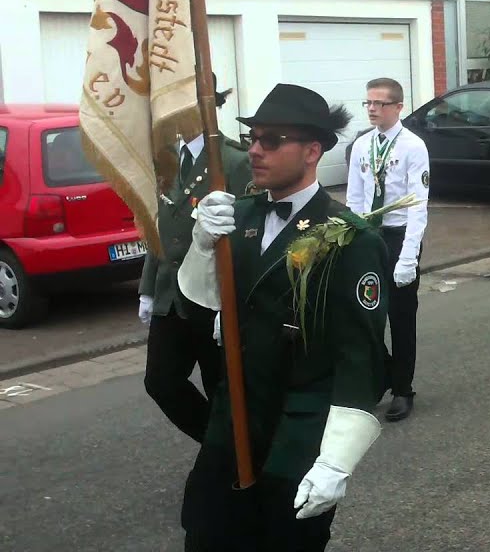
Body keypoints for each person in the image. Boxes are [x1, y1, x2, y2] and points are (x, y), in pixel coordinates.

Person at [177, 83, 387, 550]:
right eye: (253, 137)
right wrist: (202, 242)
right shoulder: (241, 216)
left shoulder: (349, 238)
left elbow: (362, 358)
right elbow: (201, 304)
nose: (254, 149)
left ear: (312, 151)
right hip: (233, 418)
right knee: (205, 533)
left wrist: (336, 462)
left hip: (297, 428)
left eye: (271, 140)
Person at [140, 82, 252, 443]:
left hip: (211, 295)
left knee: (221, 384)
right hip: (170, 295)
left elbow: (248, 234)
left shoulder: (233, 161)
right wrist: (147, 289)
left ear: (209, 106)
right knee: (160, 381)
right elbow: (161, 227)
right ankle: (218, 445)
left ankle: (234, 456)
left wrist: (237, 296)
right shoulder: (168, 158)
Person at [346, 78, 431, 422]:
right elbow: (354, 198)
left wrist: (409, 256)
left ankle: (402, 388)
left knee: (400, 314)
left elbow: (418, 204)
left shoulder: (413, 146)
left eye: (379, 104)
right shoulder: (363, 145)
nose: (371, 109)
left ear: (398, 107)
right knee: (366, 313)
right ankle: (379, 377)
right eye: (367, 103)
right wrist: (351, 238)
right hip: (369, 235)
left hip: (398, 236)